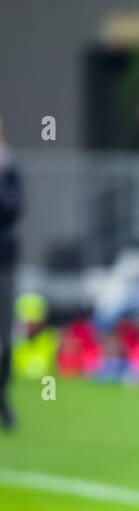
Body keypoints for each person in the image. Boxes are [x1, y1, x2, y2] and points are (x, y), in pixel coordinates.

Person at [0, 120, 22, 431]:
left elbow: (13, 207)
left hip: (3, 263)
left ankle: (2, 393)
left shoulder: (10, 172)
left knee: (5, 335)